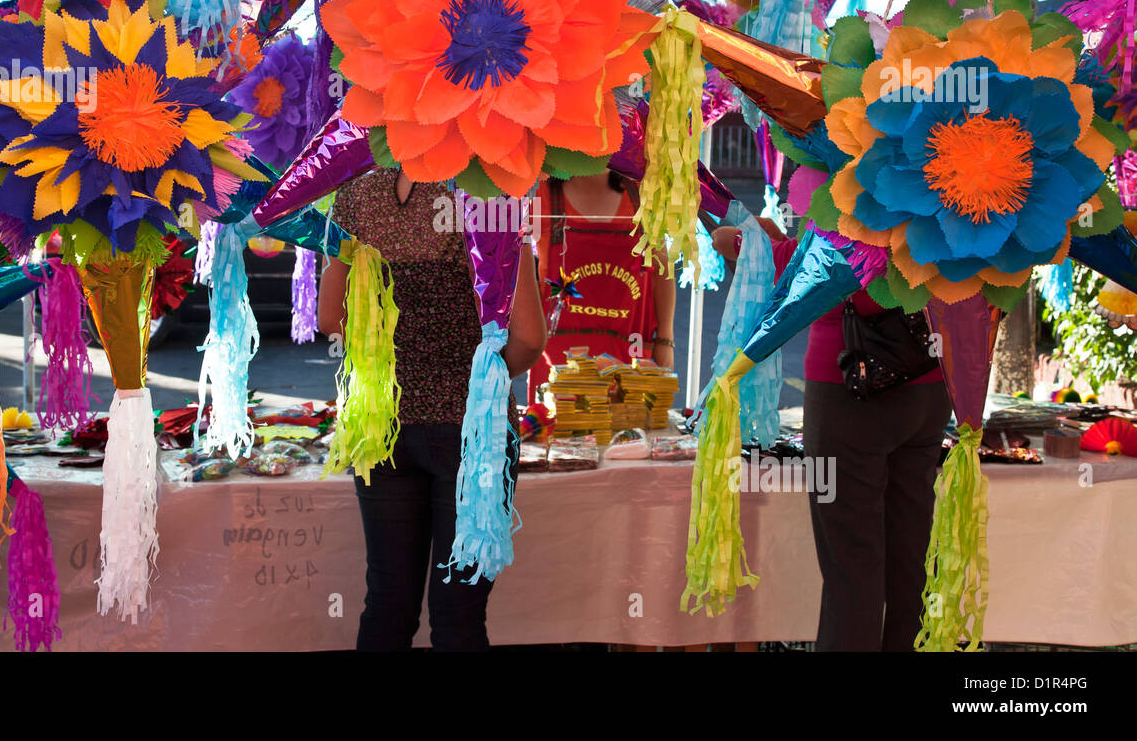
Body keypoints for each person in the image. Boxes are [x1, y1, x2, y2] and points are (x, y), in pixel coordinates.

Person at [319, 167, 547, 651]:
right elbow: (529, 337)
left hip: (383, 423)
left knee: (386, 604)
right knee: (458, 618)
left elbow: (329, 315)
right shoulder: (488, 191)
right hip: (471, 430)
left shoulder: (359, 192)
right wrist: (484, 384)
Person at [713, 220, 951, 652]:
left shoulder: (852, 163)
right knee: (909, 567)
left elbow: (825, 267)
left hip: (851, 389)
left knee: (852, 576)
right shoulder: (948, 163)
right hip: (930, 382)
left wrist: (743, 242)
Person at [527, 171, 676, 401]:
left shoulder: (643, 192)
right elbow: (516, 269)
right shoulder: (541, 193)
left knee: (630, 435)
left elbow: (662, 271)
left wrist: (665, 340)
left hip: (630, 365)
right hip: (559, 371)